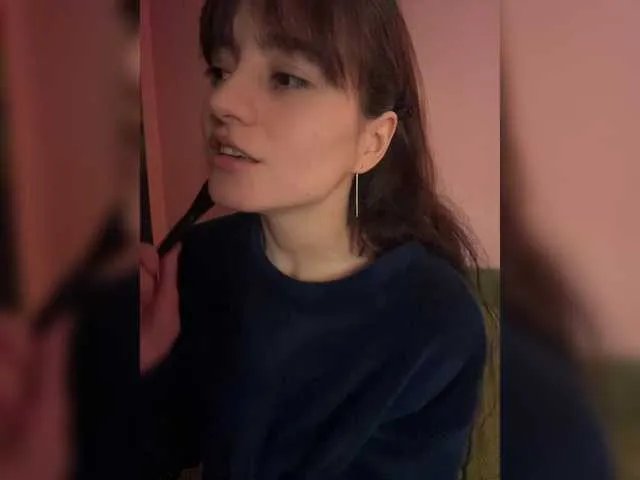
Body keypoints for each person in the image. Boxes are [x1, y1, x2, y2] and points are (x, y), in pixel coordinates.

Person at [140, 0, 487, 478]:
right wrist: (140, 365)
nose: (221, 102)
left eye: (286, 79)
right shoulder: (200, 262)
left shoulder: (433, 322)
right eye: (220, 71)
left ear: (372, 141)